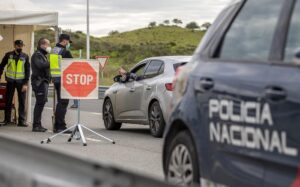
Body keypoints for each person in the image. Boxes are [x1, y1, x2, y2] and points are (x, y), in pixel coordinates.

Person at [0, 40, 30, 127]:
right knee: (8, 101)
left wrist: (25, 84)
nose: (20, 47)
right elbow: (1, 65)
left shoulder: (25, 56)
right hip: (10, 81)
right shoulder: (8, 55)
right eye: (18, 46)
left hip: (21, 82)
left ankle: (21, 121)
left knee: (22, 101)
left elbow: (27, 71)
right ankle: (7, 120)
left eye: (21, 46)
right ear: (15, 46)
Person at [50, 34, 73, 133]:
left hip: (55, 79)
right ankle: (60, 126)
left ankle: (57, 125)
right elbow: (73, 65)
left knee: (60, 102)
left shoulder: (53, 50)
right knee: (63, 102)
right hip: (63, 79)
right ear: (65, 41)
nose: (68, 44)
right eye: (68, 42)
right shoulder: (65, 51)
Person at [31, 38, 51, 132]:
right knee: (39, 104)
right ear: (42, 45)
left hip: (43, 82)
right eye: (48, 44)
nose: (48, 47)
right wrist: (51, 62)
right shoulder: (37, 55)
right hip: (39, 82)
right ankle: (36, 125)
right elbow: (40, 65)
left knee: (41, 103)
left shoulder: (42, 55)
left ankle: (38, 124)